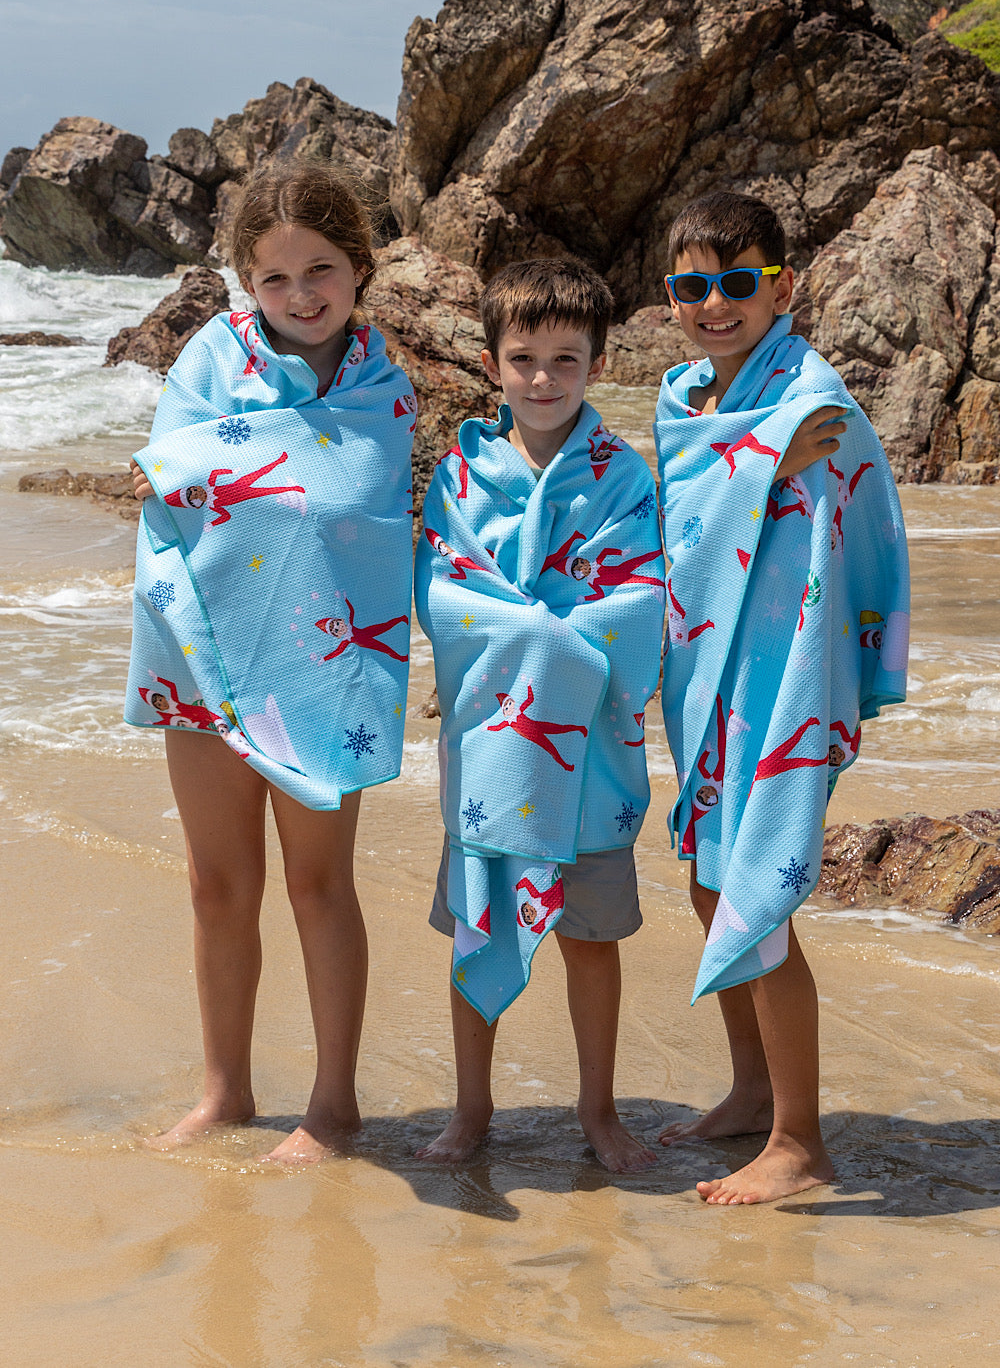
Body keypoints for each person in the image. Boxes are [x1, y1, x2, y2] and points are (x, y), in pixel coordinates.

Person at [125, 163, 414, 1162]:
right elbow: (172, 485)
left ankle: (333, 1107)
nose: (301, 295)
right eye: (275, 277)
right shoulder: (205, 365)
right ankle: (224, 1093)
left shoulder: (382, 387)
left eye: (321, 270)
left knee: (318, 887)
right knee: (216, 883)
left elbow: (364, 519)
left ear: (361, 268)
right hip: (202, 653)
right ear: (245, 280)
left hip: (325, 663)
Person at [655, 191, 909, 1203]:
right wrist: (750, 465)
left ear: (781, 287)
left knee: (757, 892)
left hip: (782, 670)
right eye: (692, 285)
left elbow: (851, 498)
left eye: (738, 281)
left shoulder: (811, 393)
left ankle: (800, 1144)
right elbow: (682, 514)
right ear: (669, 300)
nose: (716, 303)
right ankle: (752, 1091)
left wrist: (752, 464)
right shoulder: (686, 401)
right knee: (710, 883)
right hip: (703, 667)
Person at [414, 259, 666, 1173]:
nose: (544, 378)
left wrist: (532, 634)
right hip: (491, 748)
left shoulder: (621, 476)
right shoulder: (461, 472)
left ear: (598, 363)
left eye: (567, 358)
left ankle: (597, 1109)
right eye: (524, 357)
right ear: (491, 362)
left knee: (591, 940)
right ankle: (471, 1108)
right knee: (478, 925)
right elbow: (444, 594)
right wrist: (540, 632)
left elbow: (639, 602)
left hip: (588, 755)